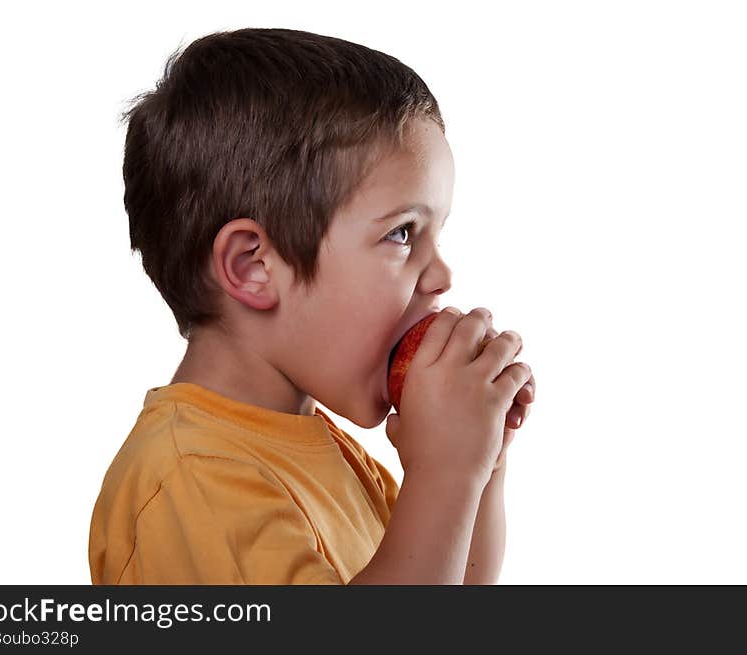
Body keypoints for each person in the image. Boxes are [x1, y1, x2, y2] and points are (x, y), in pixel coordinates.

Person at [88, 27, 535, 585]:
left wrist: (480, 467)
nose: (442, 276)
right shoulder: (191, 475)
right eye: (402, 233)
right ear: (254, 266)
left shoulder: (327, 453)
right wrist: (446, 471)